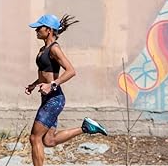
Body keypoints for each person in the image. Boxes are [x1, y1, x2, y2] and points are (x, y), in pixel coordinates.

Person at [25, 14, 108, 166]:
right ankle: (86, 127)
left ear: (49, 30)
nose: (36, 30)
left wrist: (52, 85)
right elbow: (47, 74)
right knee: (48, 140)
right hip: (49, 99)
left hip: (54, 99)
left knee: (34, 138)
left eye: (39, 27)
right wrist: (34, 84)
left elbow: (71, 71)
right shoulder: (43, 49)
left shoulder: (54, 49)